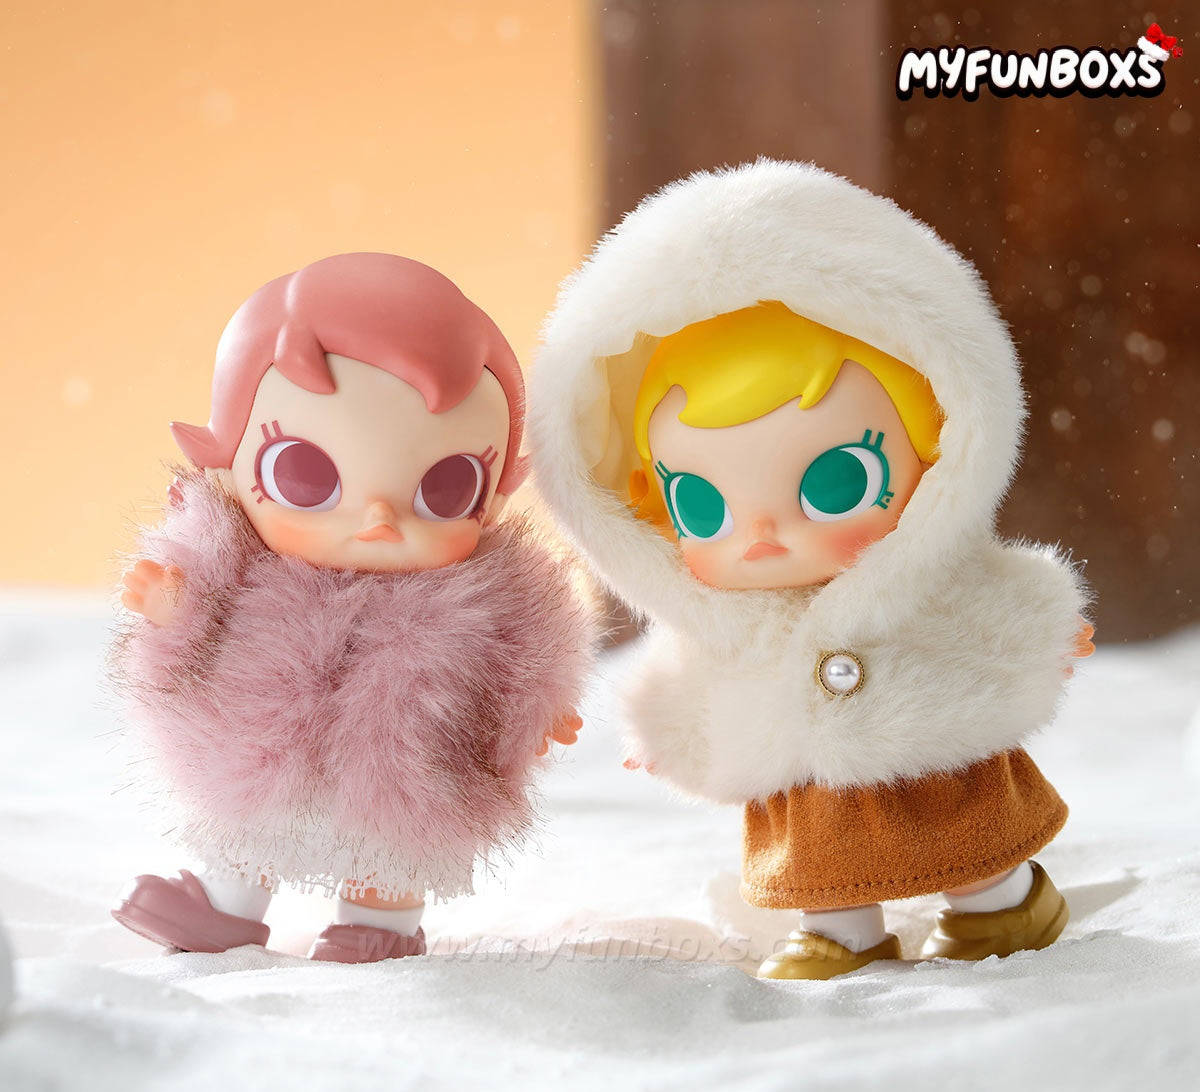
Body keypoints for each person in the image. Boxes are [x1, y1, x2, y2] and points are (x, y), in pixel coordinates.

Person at [529, 161, 1092, 981]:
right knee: (820, 859)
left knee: (969, 831)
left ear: (938, 457)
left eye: (834, 484)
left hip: (937, 746)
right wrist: (669, 732)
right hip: (801, 776)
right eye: (703, 506)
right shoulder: (724, 619)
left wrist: (1051, 632)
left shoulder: (924, 577)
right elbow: (688, 673)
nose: (762, 533)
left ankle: (1002, 899)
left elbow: (993, 603)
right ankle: (839, 931)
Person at [112, 253, 592, 964]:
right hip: (260, 750)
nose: (377, 519)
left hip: (414, 765)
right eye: (305, 475)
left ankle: (379, 925)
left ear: (492, 497)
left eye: (445, 487)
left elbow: (524, 668)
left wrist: (536, 713)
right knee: (251, 826)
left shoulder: (496, 599)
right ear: (230, 469)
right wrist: (173, 606)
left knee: (394, 849)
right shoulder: (235, 566)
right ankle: (223, 904)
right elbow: (185, 657)